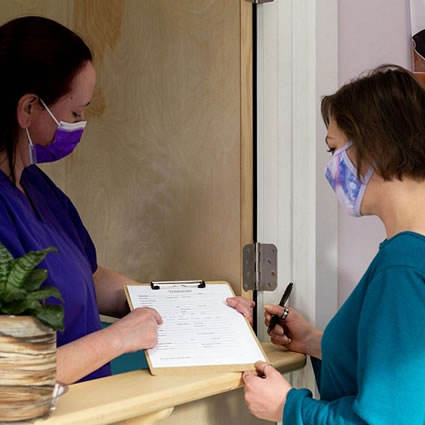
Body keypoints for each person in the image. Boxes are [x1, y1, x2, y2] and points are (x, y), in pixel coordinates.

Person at [242, 64, 425, 424]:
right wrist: (312, 341)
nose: (333, 168)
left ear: (374, 147)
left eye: (334, 150)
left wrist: (286, 407)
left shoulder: (402, 266)